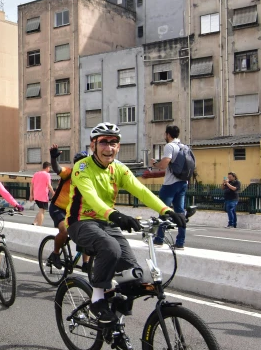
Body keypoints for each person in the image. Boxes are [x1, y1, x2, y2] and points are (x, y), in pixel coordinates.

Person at [67, 122, 185, 324]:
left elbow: (140, 191)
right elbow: (92, 198)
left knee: (134, 277)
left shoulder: (118, 168)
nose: (109, 148)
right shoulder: (82, 167)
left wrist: (166, 210)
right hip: (82, 222)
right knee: (110, 248)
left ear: (119, 146)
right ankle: (97, 298)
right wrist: (116, 216)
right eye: (104, 142)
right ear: (93, 144)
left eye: (114, 143)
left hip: (107, 223)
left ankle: (114, 321)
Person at [46, 145, 88, 270]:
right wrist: (53, 158)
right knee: (64, 230)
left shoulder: (88, 179)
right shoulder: (69, 173)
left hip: (75, 210)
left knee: (87, 233)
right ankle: (55, 254)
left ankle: (86, 263)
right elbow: (57, 168)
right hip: (58, 207)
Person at [151, 125, 188, 250]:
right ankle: (180, 242)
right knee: (180, 212)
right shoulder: (184, 146)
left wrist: (155, 164)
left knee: (163, 211)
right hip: (183, 183)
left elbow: (164, 164)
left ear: (168, 134)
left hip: (170, 184)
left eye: (165, 134)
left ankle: (159, 239)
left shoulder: (169, 146)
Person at [30, 161, 54, 226]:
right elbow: (49, 185)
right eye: (49, 168)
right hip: (43, 196)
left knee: (41, 209)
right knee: (42, 211)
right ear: (47, 167)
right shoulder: (47, 175)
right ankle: (39, 226)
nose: (49, 169)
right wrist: (53, 193)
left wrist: (31, 195)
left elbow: (32, 185)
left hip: (36, 195)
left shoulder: (36, 174)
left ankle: (34, 222)